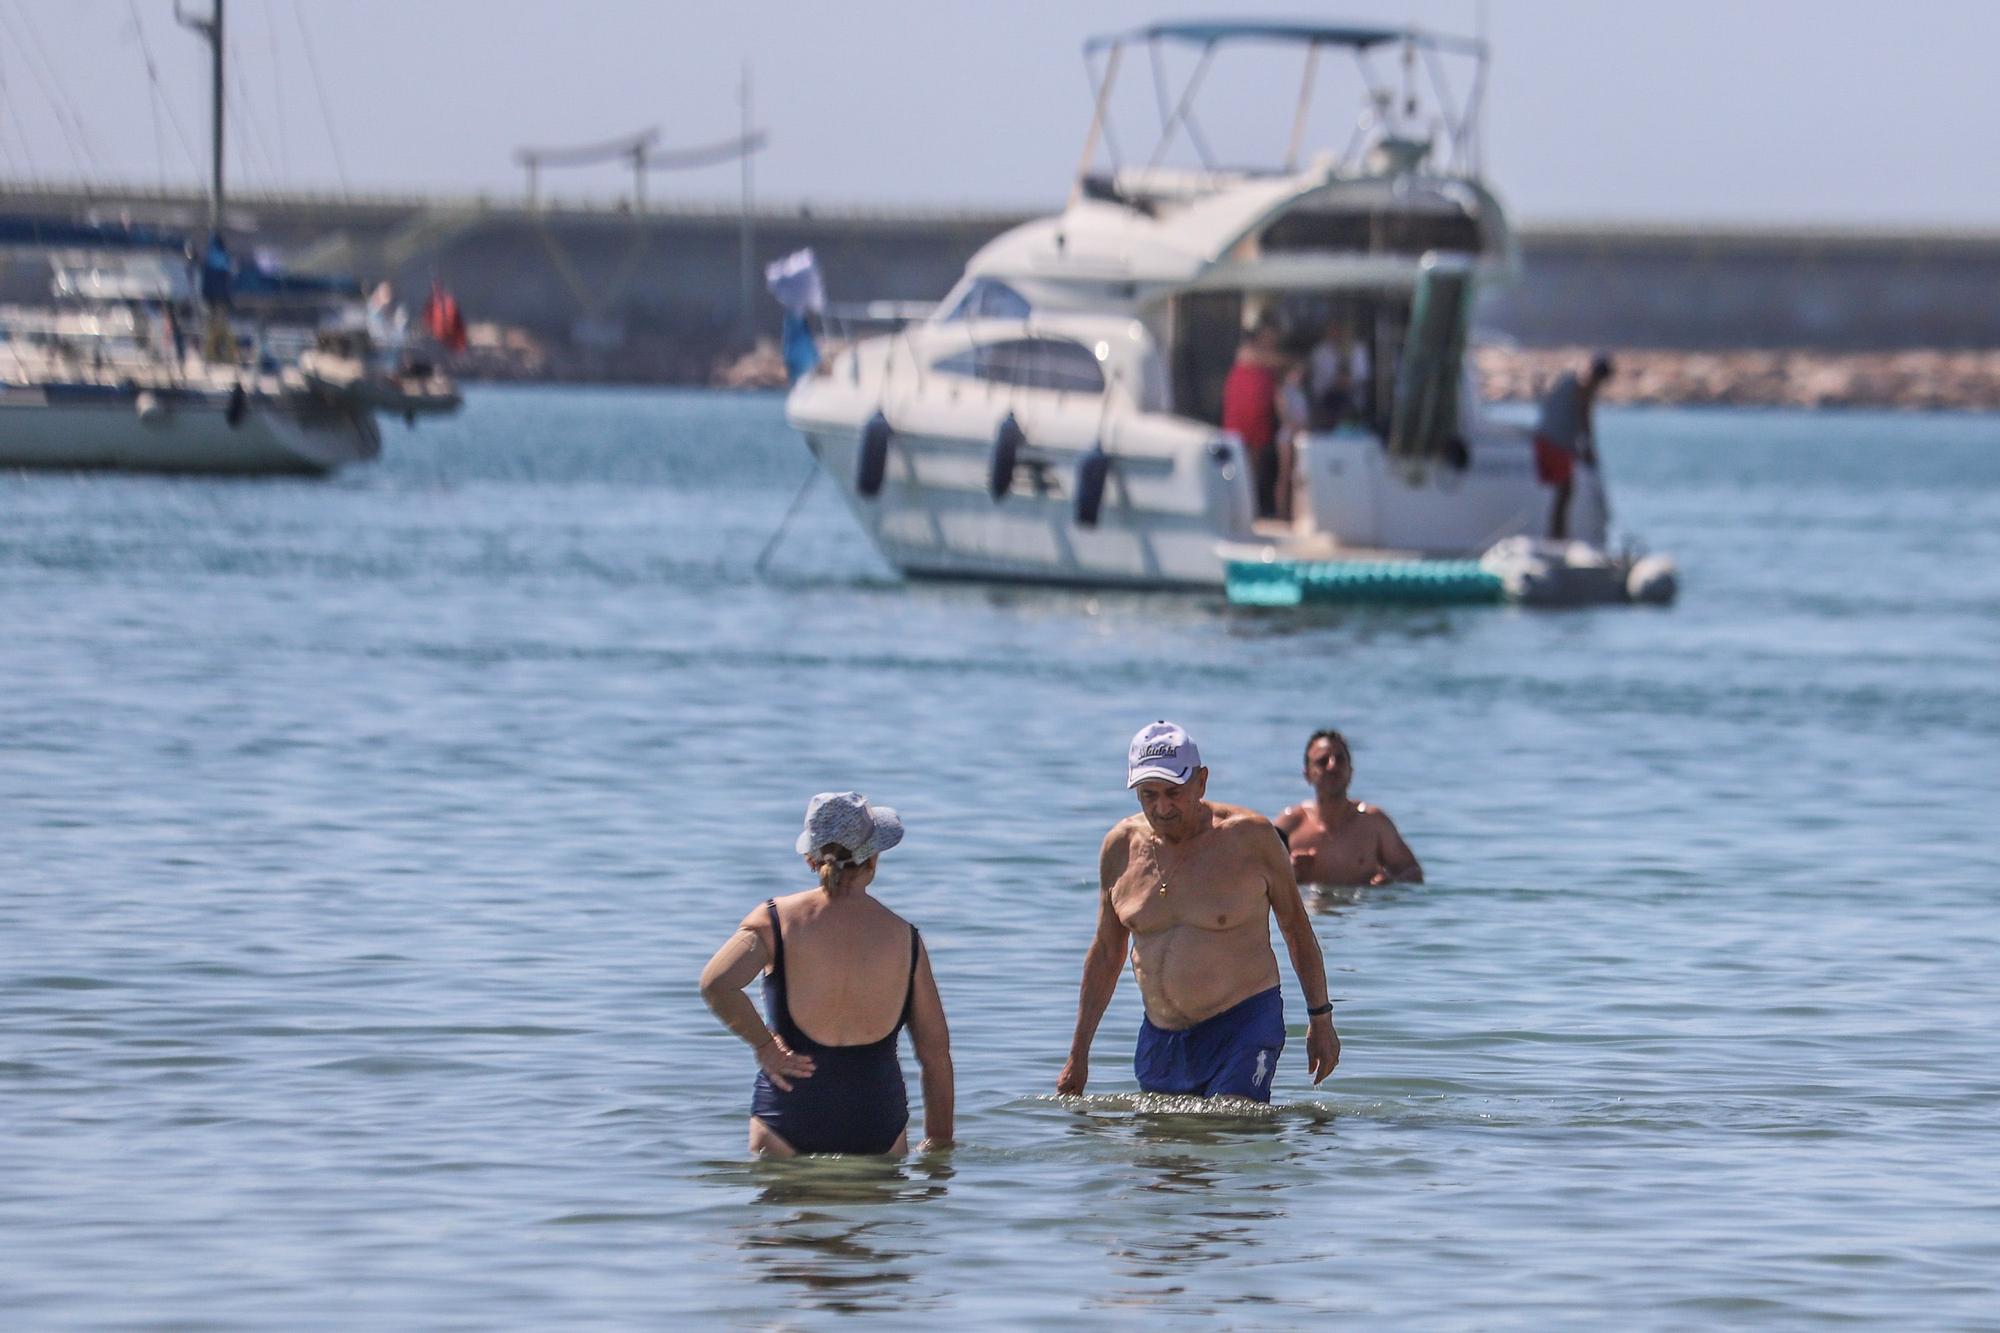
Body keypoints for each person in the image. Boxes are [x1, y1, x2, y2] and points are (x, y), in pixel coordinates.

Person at [1057, 721, 1339, 1103]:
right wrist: (1079, 1053)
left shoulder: (1251, 839)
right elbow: (1107, 952)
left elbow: (1296, 930)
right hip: (1162, 1038)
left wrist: (1320, 1018)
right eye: (1148, 794)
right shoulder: (1119, 848)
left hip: (1243, 1025)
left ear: (1201, 782)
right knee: (1165, 1156)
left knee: (1230, 1134)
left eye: (1173, 793)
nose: (1161, 807)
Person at [700, 791, 953, 1157]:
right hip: (877, 1126)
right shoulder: (904, 938)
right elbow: (935, 1054)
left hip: (786, 1119)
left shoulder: (774, 921)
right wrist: (940, 1147)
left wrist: (765, 1047)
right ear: (874, 858)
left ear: (810, 859)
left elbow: (716, 984)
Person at [1274, 729, 1422, 888]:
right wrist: (1290, 873)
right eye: (1322, 761)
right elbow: (1255, 874)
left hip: (1358, 910)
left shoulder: (1373, 823)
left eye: (1340, 759)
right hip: (1309, 910)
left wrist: (1389, 883)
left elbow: (1412, 872)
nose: (1332, 766)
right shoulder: (1290, 825)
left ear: (1351, 771)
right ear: (1307, 775)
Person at [1532, 354, 1615, 541]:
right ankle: (1557, 537)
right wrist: (1588, 448)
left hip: (1551, 440)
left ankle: (1557, 535)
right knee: (1565, 490)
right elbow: (1585, 421)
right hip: (1554, 443)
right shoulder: (1583, 387)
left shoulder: (1571, 379)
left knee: (1565, 490)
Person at [1221, 318, 1285, 520]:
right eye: (1268, 335)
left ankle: (1251, 507)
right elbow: (1273, 360)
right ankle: (1238, 507)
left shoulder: (1268, 357)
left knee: (1255, 465)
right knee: (1241, 462)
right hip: (1243, 415)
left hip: (1259, 417)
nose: (1271, 340)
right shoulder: (1249, 351)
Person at [1308, 317, 1371, 428]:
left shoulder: (1358, 348)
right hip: (1327, 406)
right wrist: (1334, 385)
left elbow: (1363, 375)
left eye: (1338, 329)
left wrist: (1349, 382)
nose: (1335, 333)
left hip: (1354, 406)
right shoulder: (1319, 352)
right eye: (1332, 329)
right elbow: (1316, 383)